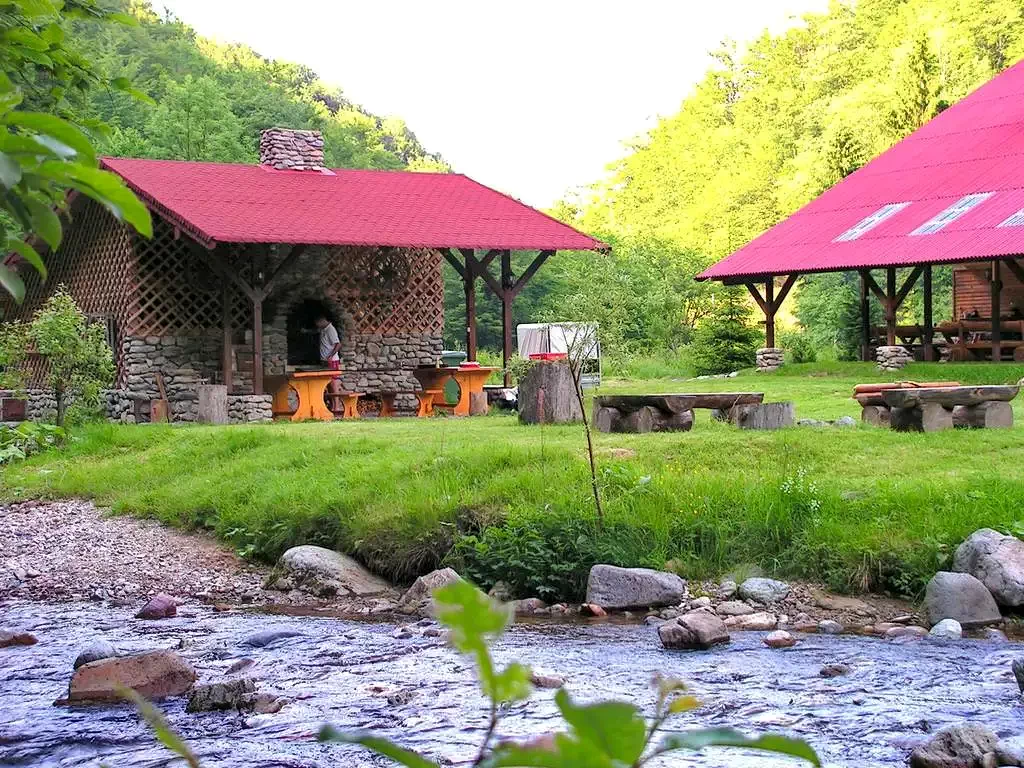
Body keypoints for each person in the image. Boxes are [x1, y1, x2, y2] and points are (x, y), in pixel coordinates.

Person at [315, 315, 342, 400]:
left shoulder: (331, 330)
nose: (317, 326)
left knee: (333, 383)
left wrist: (330, 356)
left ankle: (336, 405)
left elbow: (338, 344)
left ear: (321, 321)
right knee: (328, 384)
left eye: (317, 324)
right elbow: (315, 331)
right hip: (325, 361)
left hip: (332, 361)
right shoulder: (324, 329)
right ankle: (332, 405)